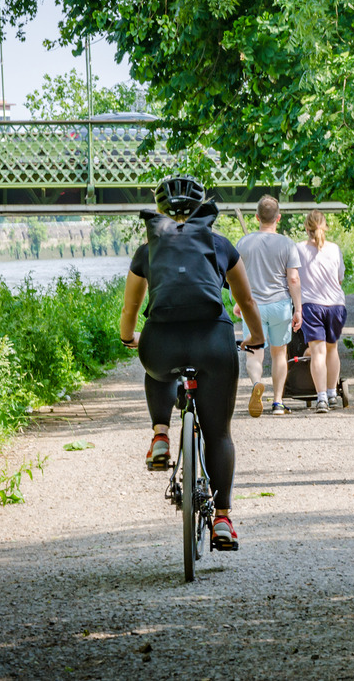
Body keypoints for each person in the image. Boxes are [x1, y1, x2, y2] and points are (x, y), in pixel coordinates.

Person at [118, 176, 266, 550]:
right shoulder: (220, 245)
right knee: (219, 434)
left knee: (156, 364)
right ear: (203, 208)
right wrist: (257, 338)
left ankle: (161, 434)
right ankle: (222, 519)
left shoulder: (146, 250)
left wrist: (127, 337)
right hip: (213, 344)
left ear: (162, 211)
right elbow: (247, 302)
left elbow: (131, 308)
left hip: (162, 342)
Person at [234, 196, 303, 417]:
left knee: (254, 353)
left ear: (257, 217)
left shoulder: (244, 243)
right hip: (280, 305)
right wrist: (298, 309)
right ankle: (278, 402)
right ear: (278, 218)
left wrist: (238, 303)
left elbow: (238, 279)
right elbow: (293, 279)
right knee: (279, 353)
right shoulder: (287, 244)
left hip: (252, 306)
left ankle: (256, 384)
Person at [295, 210, 347, 413]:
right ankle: (333, 393)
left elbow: (294, 278)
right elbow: (340, 278)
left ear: (306, 228)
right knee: (332, 349)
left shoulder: (298, 249)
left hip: (311, 305)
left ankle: (322, 398)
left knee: (318, 352)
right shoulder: (334, 249)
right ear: (324, 226)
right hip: (336, 305)